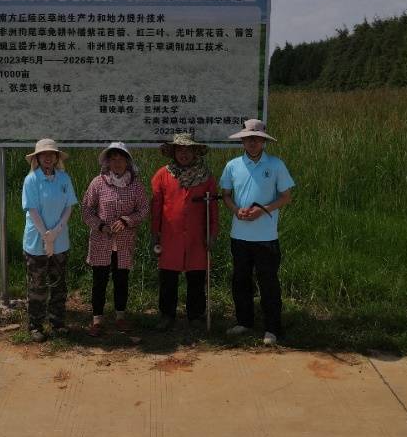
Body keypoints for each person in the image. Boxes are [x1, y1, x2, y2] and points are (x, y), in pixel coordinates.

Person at [219, 119, 294, 346]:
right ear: (242, 140)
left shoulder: (276, 164)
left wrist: (263, 211)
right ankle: (244, 321)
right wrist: (236, 210)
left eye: (257, 139)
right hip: (239, 235)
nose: (252, 142)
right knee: (240, 280)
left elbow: (286, 197)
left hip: (266, 237)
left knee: (268, 282)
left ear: (263, 141)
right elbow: (226, 195)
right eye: (248, 138)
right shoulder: (232, 165)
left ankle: (272, 327)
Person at [150, 133, 219, 331]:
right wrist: (155, 232)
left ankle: (196, 315)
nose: (184, 154)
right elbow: (156, 207)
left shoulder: (206, 177)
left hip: (197, 236)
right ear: (173, 152)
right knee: (168, 278)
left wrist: (212, 233)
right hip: (170, 236)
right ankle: (167, 315)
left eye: (188, 150)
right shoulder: (162, 175)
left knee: (196, 277)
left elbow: (213, 208)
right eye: (180, 150)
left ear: (195, 151)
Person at [82, 142, 149, 336]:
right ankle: (97, 320)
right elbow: (86, 210)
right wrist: (100, 225)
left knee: (121, 280)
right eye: (114, 159)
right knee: (99, 281)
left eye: (121, 159)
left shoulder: (135, 184)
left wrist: (127, 220)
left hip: (124, 241)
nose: (117, 163)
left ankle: (120, 317)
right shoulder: (98, 182)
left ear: (127, 161)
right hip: (101, 241)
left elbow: (143, 209)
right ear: (108, 162)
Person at [22, 138, 78, 342]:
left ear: (56, 158)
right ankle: (35, 326)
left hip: (60, 240)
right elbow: (33, 209)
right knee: (37, 285)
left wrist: (56, 233)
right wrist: (46, 236)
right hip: (36, 241)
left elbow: (69, 207)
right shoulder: (32, 180)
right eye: (43, 154)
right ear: (37, 158)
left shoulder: (64, 178)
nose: (47, 158)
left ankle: (57, 323)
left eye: (51, 154)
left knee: (58, 284)